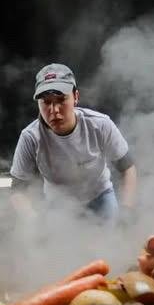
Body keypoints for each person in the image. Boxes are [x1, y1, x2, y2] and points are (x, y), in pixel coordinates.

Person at [9, 63, 138, 224]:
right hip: (59, 206)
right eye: (46, 102)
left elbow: (127, 168)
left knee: (113, 242)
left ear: (76, 97)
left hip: (101, 198)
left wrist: (126, 209)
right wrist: (34, 222)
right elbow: (17, 190)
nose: (54, 110)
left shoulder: (100, 125)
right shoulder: (30, 137)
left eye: (61, 99)